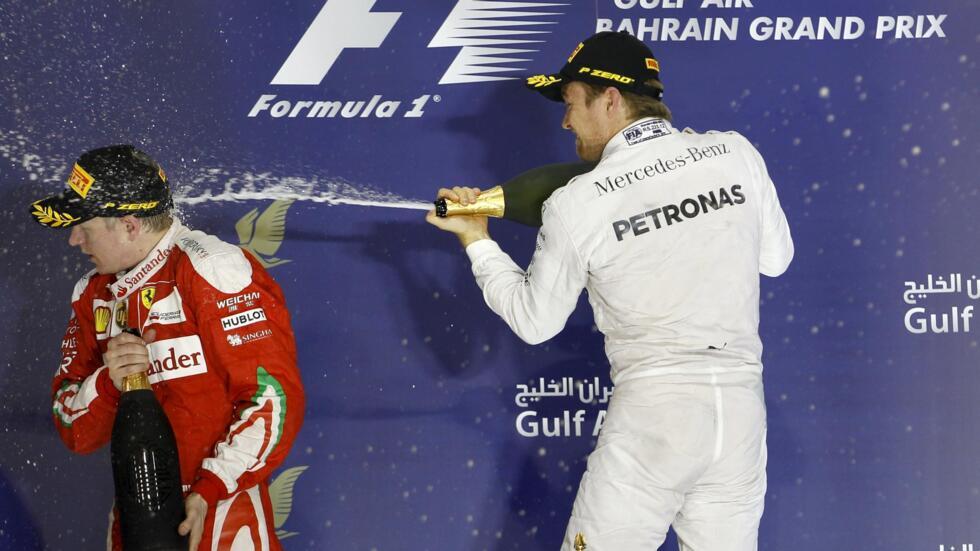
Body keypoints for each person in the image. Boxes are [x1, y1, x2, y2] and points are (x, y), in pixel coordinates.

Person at [427, 31, 793, 550]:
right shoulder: (735, 152)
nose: (565, 121)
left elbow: (535, 322)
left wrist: (476, 240)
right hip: (739, 421)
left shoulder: (578, 202)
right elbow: (776, 261)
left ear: (612, 99)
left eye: (571, 103)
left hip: (654, 420)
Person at [32, 144, 305, 551]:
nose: (74, 240)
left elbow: (273, 399)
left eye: (84, 227)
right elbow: (75, 431)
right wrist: (110, 381)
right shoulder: (92, 294)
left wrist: (208, 489)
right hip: (134, 513)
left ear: (129, 225)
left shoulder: (212, 268)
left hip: (222, 511)